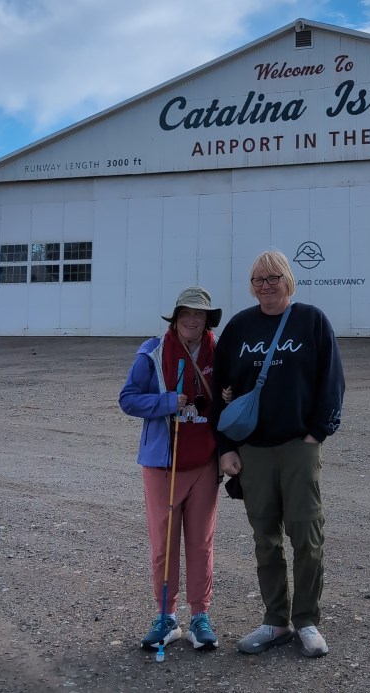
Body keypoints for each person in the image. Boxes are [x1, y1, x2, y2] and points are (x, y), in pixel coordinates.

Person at [212, 250, 345, 658]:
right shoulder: (239, 327)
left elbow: (332, 380)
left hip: (297, 447)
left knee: (307, 534)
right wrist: (226, 449)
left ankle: (306, 621)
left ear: (288, 279)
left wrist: (317, 432)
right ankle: (275, 621)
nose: (265, 285)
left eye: (273, 278)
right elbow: (220, 391)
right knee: (265, 539)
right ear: (250, 286)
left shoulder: (312, 320)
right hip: (253, 451)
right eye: (258, 279)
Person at [119, 286, 223, 652]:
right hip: (163, 464)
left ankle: (200, 616)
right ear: (176, 317)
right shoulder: (152, 352)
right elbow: (127, 399)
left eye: (199, 315)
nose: (192, 320)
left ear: (208, 319)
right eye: (186, 314)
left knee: (201, 542)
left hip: (204, 464)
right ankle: (166, 616)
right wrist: (165, 402)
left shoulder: (219, 351)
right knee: (164, 544)